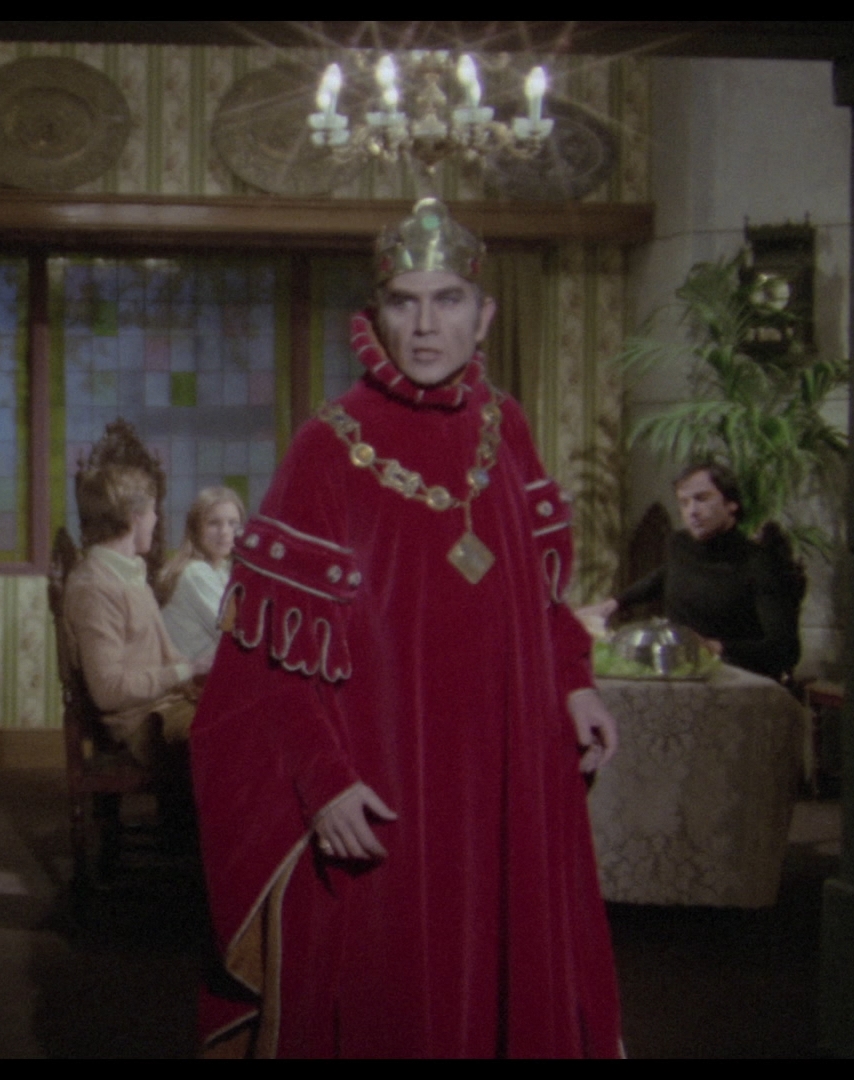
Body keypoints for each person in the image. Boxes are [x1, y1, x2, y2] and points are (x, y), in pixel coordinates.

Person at [190, 198, 623, 1058]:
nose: (426, 325)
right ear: (377, 314)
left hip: (513, 773)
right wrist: (323, 781)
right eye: (405, 302)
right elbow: (270, 657)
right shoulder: (326, 446)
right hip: (389, 783)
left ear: (483, 314)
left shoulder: (508, 427)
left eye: (448, 300)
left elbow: (542, 601)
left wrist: (575, 683)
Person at [63, 429, 210, 768]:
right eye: (153, 511)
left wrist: (196, 675)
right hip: (142, 725)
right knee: (239, 737)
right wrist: (185, 671)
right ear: (134, 517)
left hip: (165, 707)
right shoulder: (96, 587)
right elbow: (108, 691)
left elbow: (163, 656)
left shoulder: (128, 572)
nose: (156, 519)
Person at [584, 463, 802, 679]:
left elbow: (785, 650)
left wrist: (713, 647)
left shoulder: (759, 563)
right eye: (684, 503)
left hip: (733, 676)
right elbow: (666, 575)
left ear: (731, 503)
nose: (692, 512)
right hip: (678, 671)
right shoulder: (680, 545)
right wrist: (612, 604)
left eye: (702, 499)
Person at [158, 486, 247, 666]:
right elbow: (234, 632)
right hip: (193, 679)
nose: (224, 531)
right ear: (196, 529)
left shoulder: (222, 569)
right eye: (213, 523)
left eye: (233, 523)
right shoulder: (195, 572)